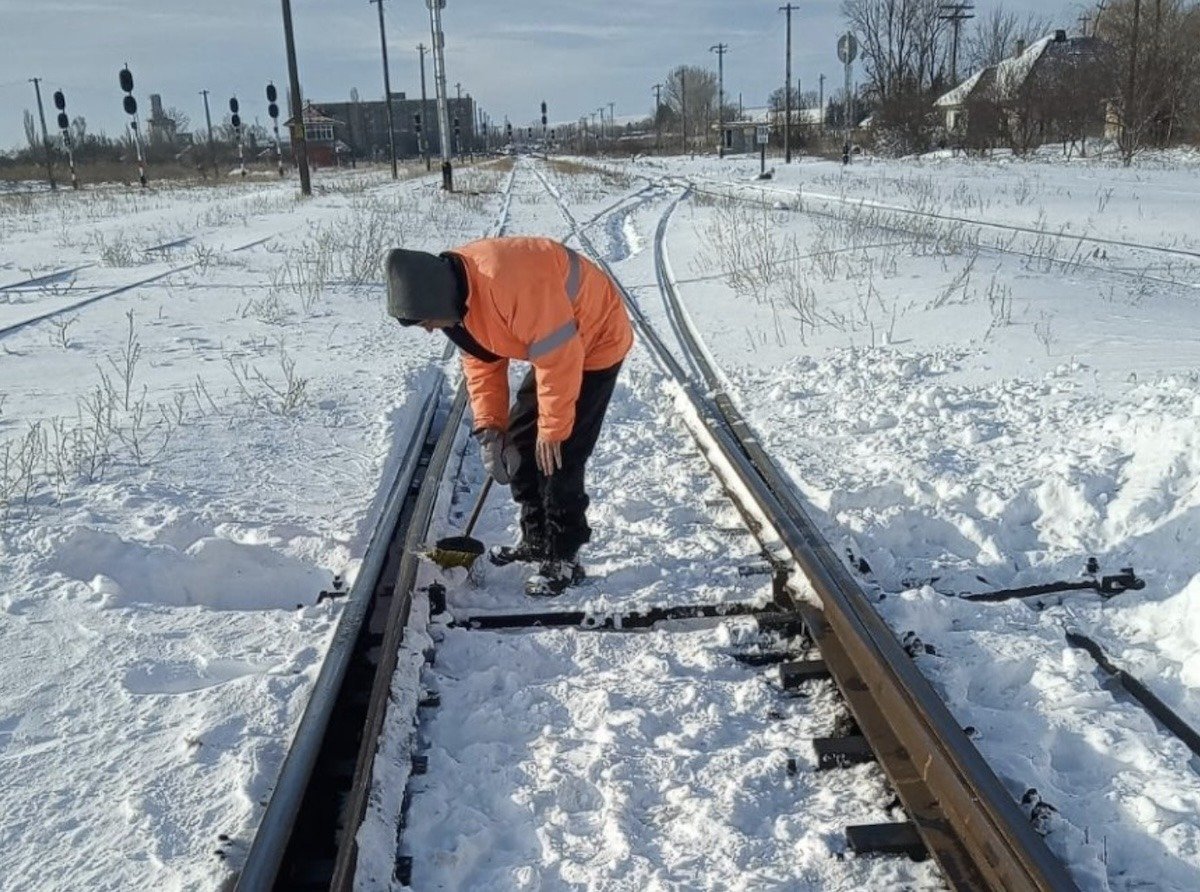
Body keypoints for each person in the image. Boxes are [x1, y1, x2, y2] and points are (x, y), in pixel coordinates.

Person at [385, 237, 633, 596]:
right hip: (557, 344)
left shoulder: (507, 284)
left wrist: (552, 430)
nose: (427, 328)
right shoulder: (455, 299)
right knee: (520, 439)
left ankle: (563, 555)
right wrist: (490, 427)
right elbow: (483, 361)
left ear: (435, 300)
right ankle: (535, 538)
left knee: (559, 452)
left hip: (596, 339)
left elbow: (559, 358)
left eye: (425, 321)